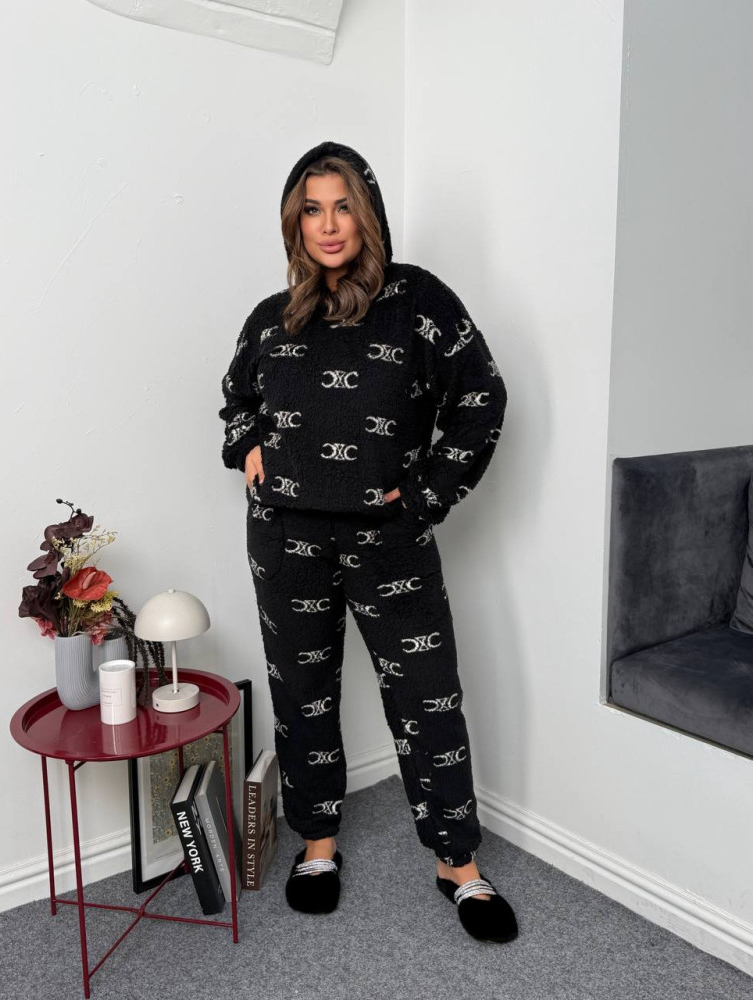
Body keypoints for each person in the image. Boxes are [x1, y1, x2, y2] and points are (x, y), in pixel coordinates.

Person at [218, 140, 517, 943]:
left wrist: (423, 495)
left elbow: (481, 398)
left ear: (368, 214)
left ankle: (456, 862)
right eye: (311, 209)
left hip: (390, 540)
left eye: (342, 206)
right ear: (294, 223)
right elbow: (236, 399)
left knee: (427, 696)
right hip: (284, 535)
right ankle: (317, 844)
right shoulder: (270, 318)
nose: (328, 224)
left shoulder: (418, 300)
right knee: (302, 694)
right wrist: (246, 443)